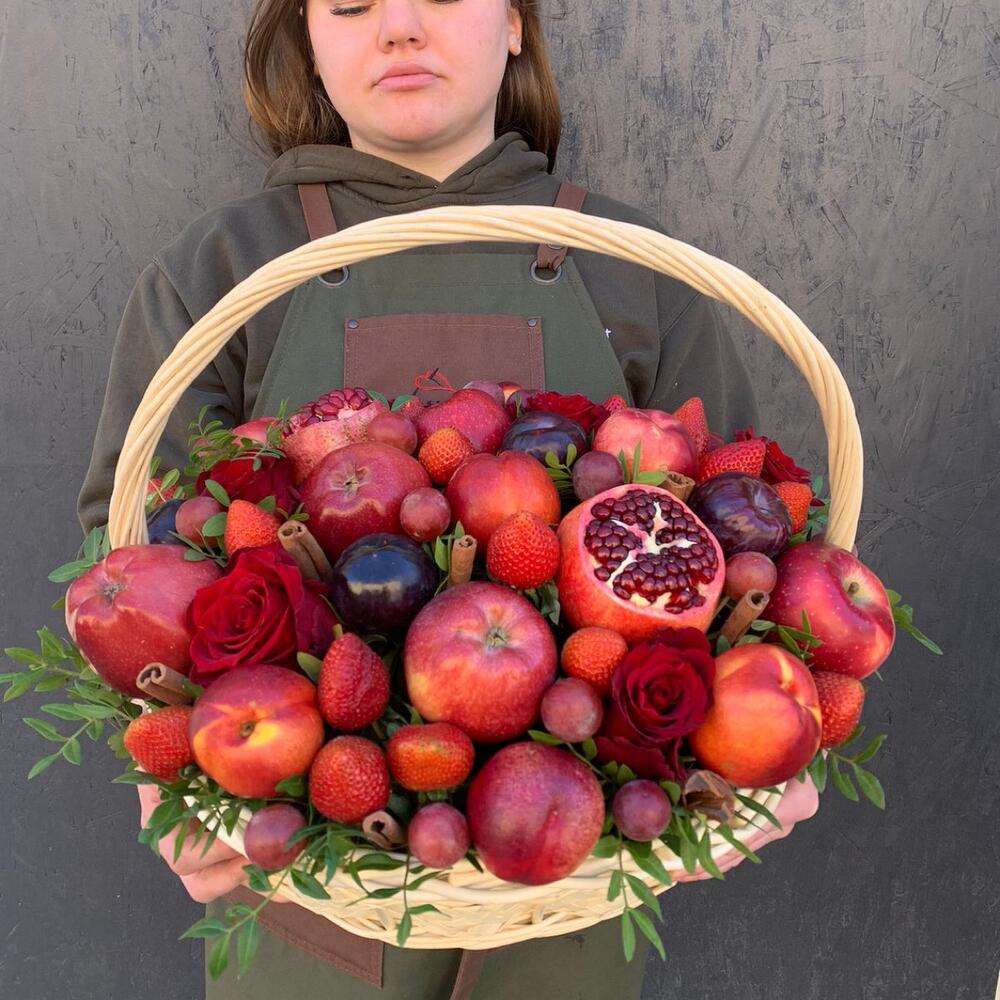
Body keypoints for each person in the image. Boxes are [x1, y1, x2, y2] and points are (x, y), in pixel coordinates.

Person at [78, 1, 820, 996]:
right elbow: (131, 553)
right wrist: (160, 764)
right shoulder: (220, 271)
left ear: (513, 21)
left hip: (573, 895)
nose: (397, 26)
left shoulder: (633, 266)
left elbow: (752, 534)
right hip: (301, 898)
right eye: (350, 3)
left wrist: (766, 745)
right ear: (308, 36)